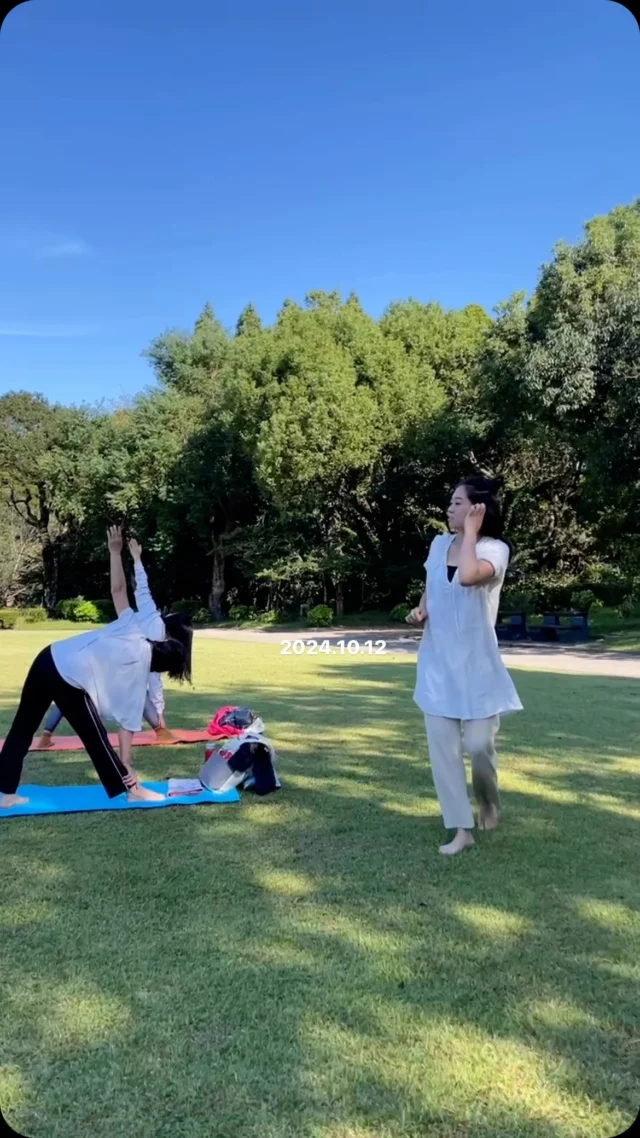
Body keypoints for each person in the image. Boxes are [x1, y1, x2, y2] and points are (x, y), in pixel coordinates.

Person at [0, 526, 192, 810]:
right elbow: (127, 727)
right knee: (96, 738)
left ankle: (6, 794)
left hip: (48, 657)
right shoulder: (140, 677)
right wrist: (126, 765)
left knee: (22, 728)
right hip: (67, 678)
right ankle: (133, 790)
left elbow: (118, 590)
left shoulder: (132, 629)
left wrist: (115, 552)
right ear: (162, 666)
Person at [407, 474, 523, 856]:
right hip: (437, 667)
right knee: (443, 751)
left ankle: (489, 801)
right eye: (452, 502)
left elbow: (470, 578)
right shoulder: (439, 543)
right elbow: (434, 580)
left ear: (477, 509)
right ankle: (461, 828)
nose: (450, 508)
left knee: (478, 747)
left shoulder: (494, 549)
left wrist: (471, 533)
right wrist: (422, 608)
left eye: (458, 503)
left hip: (477, 669)